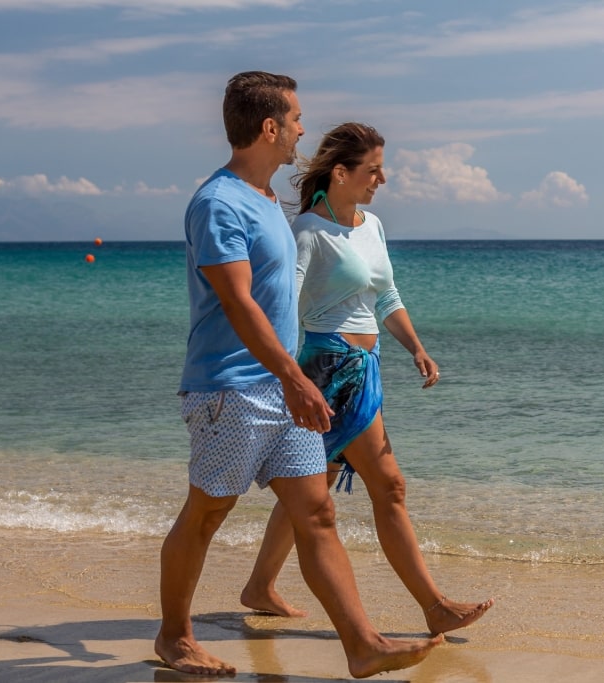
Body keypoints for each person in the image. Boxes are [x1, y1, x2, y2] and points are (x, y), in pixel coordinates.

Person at [155, 73, 442, 678]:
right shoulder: (218, 203)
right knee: (206, 513)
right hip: (231, 387)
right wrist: (295, 373)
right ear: (269, 127)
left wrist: (298, 376)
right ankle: (175, 637)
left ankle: (362, 644)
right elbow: (237, 303)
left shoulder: (266, 203)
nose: (301, 130)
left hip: (281, 387)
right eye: (294, 119)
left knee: (317, 514)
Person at [239, 122, 494, 635]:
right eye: (373, 170)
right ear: (341, 172)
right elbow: (282, 306)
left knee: (314, 488)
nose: (382, 180)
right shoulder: (308, 232)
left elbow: (387, 298)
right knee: (390, 485)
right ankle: (434, 605)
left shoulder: (371, 226)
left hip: (366, 369)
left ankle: (259, 586)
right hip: (330, 369)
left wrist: (416, 348)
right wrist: (283, 375)